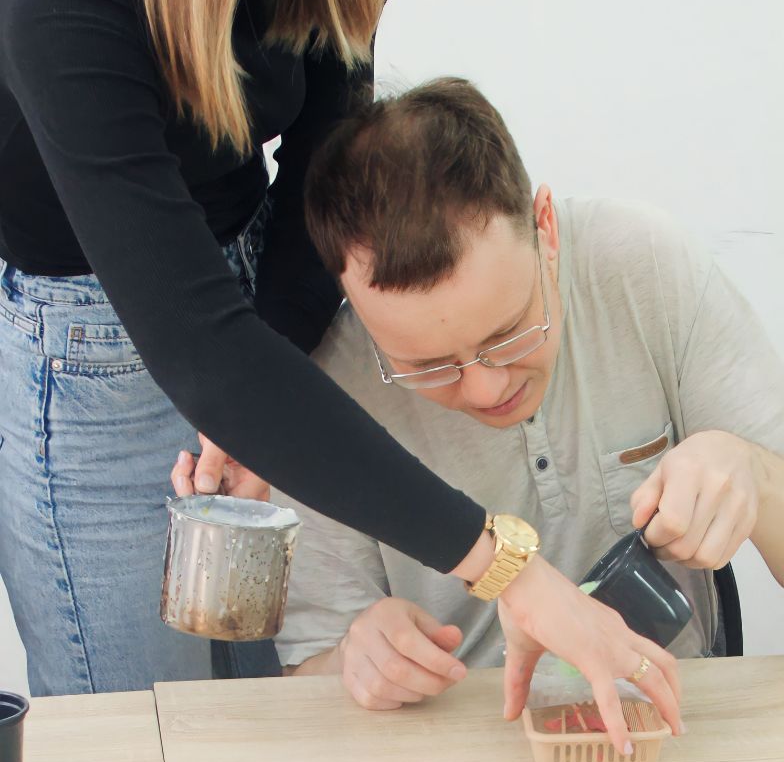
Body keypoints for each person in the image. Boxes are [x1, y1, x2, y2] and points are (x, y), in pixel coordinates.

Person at [0, 0, 678, 751]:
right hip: (100, 352)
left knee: (266, 736)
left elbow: (325, 160)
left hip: (260, 295)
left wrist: (261, 386)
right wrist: (511, 567)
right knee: (140, 748)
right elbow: (195, 340)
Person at [261, 78, 784, 711]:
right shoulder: (322, 391)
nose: (486, 388)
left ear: (546, 229)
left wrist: (757, 475)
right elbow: (308, 672)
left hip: (672, 712)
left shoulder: (645, 268)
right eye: (427, 366)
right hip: (457, 737)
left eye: (508, 334)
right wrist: (354, 658)